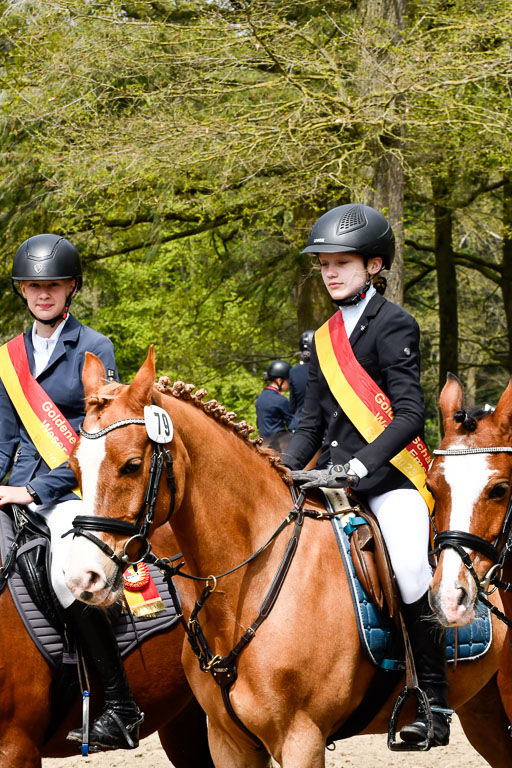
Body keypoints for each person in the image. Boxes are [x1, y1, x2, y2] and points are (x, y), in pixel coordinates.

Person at [281, 203, 450, 748]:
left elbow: (409, 414)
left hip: (387, 481)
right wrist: (280, 467)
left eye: (342, 263)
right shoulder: (320, 338)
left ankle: (433, 700)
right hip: (326, 478)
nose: (330, 272)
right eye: (324, 264)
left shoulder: (395, 323)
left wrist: (362, 464)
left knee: (405, 565)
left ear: (374, 266)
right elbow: (308, 423)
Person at [0, 234, 143, 751]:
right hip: (14, 487)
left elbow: (100, 437)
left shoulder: (95, 347)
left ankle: (122, 706)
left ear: (70, 289)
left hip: (72, 490)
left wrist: (34, 490)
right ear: (23, 291)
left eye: (53, 286)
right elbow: (5, 439)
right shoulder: (8, 357)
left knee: (73, 575)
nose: (43, 294)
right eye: (34, 286)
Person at [255, 360, 292, 452]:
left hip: (263, 442)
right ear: (279, 380)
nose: (289, 384)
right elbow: (291, 424)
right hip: (279, 444)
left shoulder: (260, 397)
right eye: (288, 380)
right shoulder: (281, 400)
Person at [289, 330, 314, 431]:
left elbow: (292, 406)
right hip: (321, 425)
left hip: (298, 423)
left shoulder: (294, 371)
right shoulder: (325, 369)